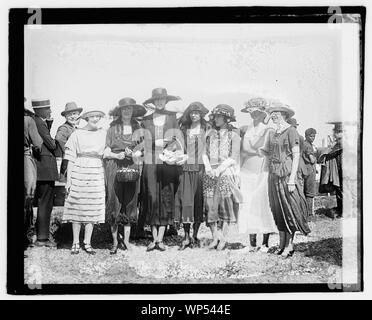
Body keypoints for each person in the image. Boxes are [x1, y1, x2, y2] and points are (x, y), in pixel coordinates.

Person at [261, 101, 310, 258]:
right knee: (277, 210)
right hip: (274, 175)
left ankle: (290, 245)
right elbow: (267, 153)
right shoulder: (273, 132)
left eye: (276, 112)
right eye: (272, 112)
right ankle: (281, 243)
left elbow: (296, 156)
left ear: (284, 115)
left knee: (289, 210)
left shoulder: (291, 131)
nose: (273, 115)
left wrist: (292, 179)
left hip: (287, 174)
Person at [139, 87, 182, 252]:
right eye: (156, 99)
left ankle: (160, 239)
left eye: (162, 99)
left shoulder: (172, 117)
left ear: (166, 101)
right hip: (150, 162)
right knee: (151, 196)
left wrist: (171, 150)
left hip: (167, 161)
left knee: (165, 196)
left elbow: (177, 138)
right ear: (153, 101)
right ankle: (153, 237)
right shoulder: (146, 120)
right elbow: (142, 142)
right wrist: (154, 144)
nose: (159, 102)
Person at [104, 98, 146, 254]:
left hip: (132, 166)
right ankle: (115, 241)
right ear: (120, 111)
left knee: (130, 201)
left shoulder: (139, 128)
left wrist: (135, 152)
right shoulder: (112, 128)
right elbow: (106, 150)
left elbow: (143, 150)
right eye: (124, 109)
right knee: (114, 201)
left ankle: (126, 241)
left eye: (130, 109)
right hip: (114, 166)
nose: (127, 111)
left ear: (133, 111)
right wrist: (118, 155)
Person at [62, 109, 106, 255]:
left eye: (97, 116)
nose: (95, 119)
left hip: (96, 171)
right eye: (92, 116)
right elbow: (70, 158)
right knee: (77, 206)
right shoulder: (77, 134)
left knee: (91, 206)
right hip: (79, 171)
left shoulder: (103, 133)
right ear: (86, 118)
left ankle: (87, 242)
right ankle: (75, 242)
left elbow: (107, 152)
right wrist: (68, 181)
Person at [238, 97, 277, 252]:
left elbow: (267, 149)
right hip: (247, 171)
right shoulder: (247, 129)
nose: (253, 115)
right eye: (251, 112)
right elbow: (244, 150)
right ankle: (252, 244)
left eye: (257, 112)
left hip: (262, 171)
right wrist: (257, 150)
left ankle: (265, 243)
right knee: (247, 204)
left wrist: (257, 150)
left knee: (263, 204)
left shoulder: (268, 130)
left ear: (263, 114)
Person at [202, 104, 242, 251]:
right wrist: (208, 167)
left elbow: (234, 156)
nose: (216, 119)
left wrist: (219, 169)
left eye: (219, 116)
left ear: (226, 118)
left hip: (225, 172)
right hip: (209, 172)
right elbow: (204, 153)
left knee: (225, 206)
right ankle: (214, 237)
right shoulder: (210, 133)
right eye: (215, 116)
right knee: (209, 205)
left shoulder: (234, 135)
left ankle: (224, 238)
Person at [175, 102, 209, 250]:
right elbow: (179, 147)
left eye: (197, 112)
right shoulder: (184, 129)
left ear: (201, 114)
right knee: (186, 202)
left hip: (201, 169)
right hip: (186, 168)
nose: (194, 115)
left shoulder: (207, 128)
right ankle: (186, 236)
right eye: (192, 112)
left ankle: (195, 235)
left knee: (198, 201)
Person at [32, 99, 60, 247]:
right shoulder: (39, 123)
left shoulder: (37, 121)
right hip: (45, 169)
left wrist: (49, 124)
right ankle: (43, 238)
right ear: (40, 110)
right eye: (47, 108)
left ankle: (40, 236)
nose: (49, 111)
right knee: (45, 203)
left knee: (43, 202)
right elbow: (52, 144)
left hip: (41, 169)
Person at [24, 98, 43, 251]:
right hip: (24, 160)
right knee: (28, 196)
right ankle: (27, 235)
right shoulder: (28, 119)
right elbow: (37, 143)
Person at [318, 122, 343, 218]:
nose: (336, 134)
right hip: (338, 169)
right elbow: (328, 151)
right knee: (339, 190)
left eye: (339, 131)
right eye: (336, 131)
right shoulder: (336, 144)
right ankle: (341, 210)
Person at [55, 102, 83, 183]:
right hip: (68, 164)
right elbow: (59, 138)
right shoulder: (64, 128)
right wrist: (68, 152)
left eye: (74, 114)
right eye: (69, 115)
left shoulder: (77, 128)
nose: (72, 116)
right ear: (65, 117)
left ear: (78, 115)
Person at [302, 128, 318, 215]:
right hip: (309, 170)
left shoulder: (304, 144)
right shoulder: (308, 145)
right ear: (306, 136)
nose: (313, 138)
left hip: (305, 169)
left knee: (305, 191)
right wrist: (317, 157)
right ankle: (309, 214)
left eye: (314, 136)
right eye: (311, 136)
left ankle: (304, 212)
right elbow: (312, 160)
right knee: (310, 193)